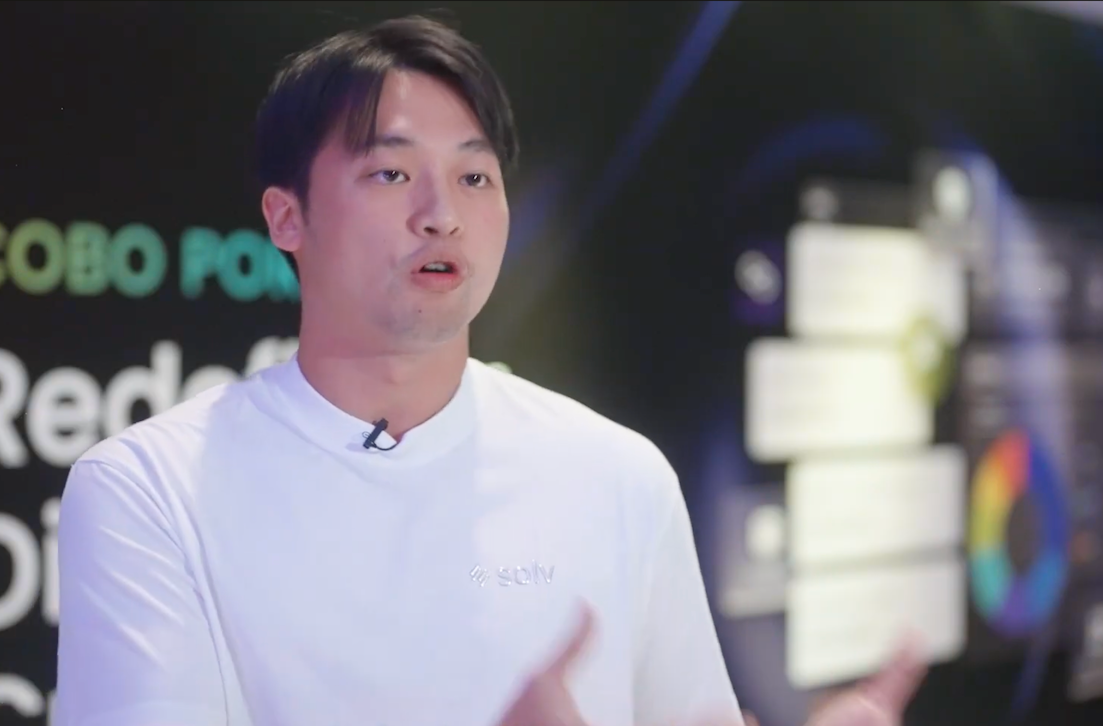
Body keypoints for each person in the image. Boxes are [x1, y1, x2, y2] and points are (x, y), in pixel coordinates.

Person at [53, 14, 926, 726]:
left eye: (475, 177)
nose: (442, 214)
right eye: (391, 172)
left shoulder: (619, 475)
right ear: (287, 218)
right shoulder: (149, 491)